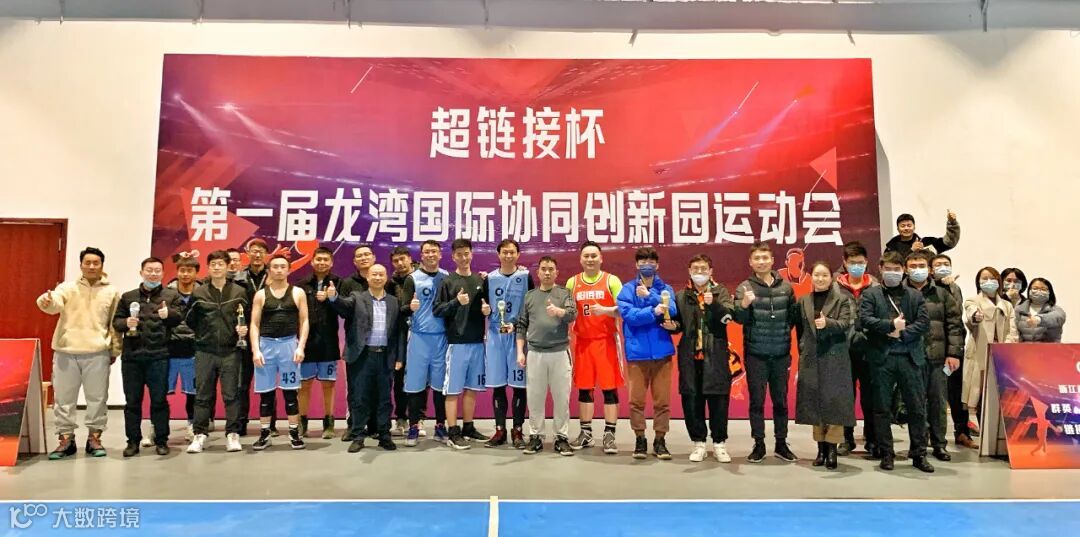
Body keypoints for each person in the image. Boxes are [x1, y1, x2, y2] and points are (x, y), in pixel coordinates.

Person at [37, 247, 121, 460]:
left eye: (96, 263)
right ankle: (66, 439)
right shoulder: (67, 288)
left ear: (102, 265)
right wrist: (46, 301)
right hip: (66, 351)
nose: (91, 266)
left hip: (97, 352)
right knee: (64, 398)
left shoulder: (112, 292)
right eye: (87, 262)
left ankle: (94, 438)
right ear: (81, 265)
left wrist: (115, 350)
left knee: (98, 398)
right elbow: (53, 304)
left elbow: (114, 323)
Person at [859, 250, 933, 473]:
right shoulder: (870, 294)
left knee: (916, 408)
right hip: (882, 358)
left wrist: (902, 333)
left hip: (910, 358)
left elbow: (924, 322)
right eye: (888, 269)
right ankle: (886, 453)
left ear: (904, 271)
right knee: (881, 408)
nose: (892, 273)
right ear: (880, 269)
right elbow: (865, 320)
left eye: (897, 269)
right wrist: (890, 326)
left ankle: (919, 454)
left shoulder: (915, 295)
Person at [732, 241, 799, 463]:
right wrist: (744, 304)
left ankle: (781, 443)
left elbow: (792, 319)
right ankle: (759, 444)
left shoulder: (786, 288)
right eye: (757, 258)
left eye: (765, 258)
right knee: (757, 402)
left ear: (772, 260)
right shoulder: (744, 288)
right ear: (750, 262)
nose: (761, 262)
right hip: (756, 355)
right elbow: (739, 319)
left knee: (781, 402)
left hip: (781, 354)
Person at [328, 264, 403, 452]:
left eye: (381, 274)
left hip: (385, 356)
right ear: (367, 278)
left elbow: (399, 332)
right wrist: (334, 297)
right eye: (374, 274)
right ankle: (358, 436)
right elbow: (343, 305)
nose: (377, 277)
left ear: (386, 278)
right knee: (360, 398)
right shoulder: (357, 297)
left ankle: (384, 435)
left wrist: (399, 357)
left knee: (385, 399)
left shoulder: (394, 302)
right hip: (362, 356)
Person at [113, 257, 181, 457]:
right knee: (132, 402)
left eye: (157, 271)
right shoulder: (128, 297)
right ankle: (132, 441)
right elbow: (116, 322)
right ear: (141, 272)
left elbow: (179, 318)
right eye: (149, 270)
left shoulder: (171, 295)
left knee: (159, 400)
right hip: (132, 357)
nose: (153, 274)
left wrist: (168, 315)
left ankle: (161, 440)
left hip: (159, 356)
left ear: (163, 273)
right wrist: (126, 322)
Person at [671, 254, 734, 463]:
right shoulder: (682, 295)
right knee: (692, 400)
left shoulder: (720, 291)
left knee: (718, 400)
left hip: (715, 354)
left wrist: (714, 304)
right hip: (690, 356)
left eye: (703, 268)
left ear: (711, 271)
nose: (700, 272)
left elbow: (728, 317)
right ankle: (698, 443)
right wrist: (672, 326)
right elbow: (678, 323)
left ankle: (719, 443)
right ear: (689, 272)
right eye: (695, 269)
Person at [185, 250, 249, 454]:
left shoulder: (239, 292)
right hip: (205, 351)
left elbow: (247, 318)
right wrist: (205, 334)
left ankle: (233, 434)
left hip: (231, 351)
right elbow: (190, 319)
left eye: (221, 264)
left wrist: (243, 329)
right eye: (213, 264)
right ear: (208, 267)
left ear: (228, 266)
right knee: (203, 395)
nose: (217, 267)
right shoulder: (199, 293)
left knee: (232, 394)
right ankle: (199, 434)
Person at [616, 246, 678, 460]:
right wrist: (654, 311)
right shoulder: (627, 289)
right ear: (636, 265)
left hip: (662, 353)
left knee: (662, 401)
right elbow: (629, 315)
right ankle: (640, 438)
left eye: (651, 262)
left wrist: (651, 297)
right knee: (636, 401)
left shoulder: (666, 289)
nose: (647, 265)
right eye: (642, 262)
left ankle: (660, 440)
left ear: (657, 265)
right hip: (637, 354)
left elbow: (673, 311)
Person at [794, 261, 855, 471]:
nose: (820, 279)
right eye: (816, 275)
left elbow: (846, 324)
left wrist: (828, 323)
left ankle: (832, 450)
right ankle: (820, 449)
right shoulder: (803, 300)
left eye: (824, 275)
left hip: (835, 357)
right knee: (815, 403)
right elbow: (800, 330)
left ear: (831, 278)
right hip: (811, 358)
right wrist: (803, 350)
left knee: (835, 404)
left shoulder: (843, 300)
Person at [904, 250, 964, 462]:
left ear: (929, 269)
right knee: (915, 404)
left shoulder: (942, 294)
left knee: (938, 403)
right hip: (909, 357)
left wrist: (954, 353)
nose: (917, 270)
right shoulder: (900, 293)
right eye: (913, 266)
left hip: (938, 357)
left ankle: (939, 445)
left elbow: (955, 325)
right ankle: (917, 446)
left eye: (921, 266)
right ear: (906, 269)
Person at [566, 241, 623, 455]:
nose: (590, 259)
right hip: (583, 342)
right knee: (584, 388)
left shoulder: (611, 280)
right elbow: (567, 311)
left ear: (601, 258)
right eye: (586, 256)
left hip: (606, 341)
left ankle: (609, 434)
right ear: (580, 259)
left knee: (609, 389)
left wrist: (606, 310)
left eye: (593, 256)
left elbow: (623, 309)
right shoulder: (573, 282)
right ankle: (586, 433)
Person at [516, 256, 577, 455]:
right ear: (538, 272)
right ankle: (536, 436)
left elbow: (572, 314)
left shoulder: (564, 293)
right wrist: (520, 352)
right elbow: (521, 325)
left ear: (556, 272)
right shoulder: (530, 296)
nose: (547, 272)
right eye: (544, 269)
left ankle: (561, 437)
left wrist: (558, 311)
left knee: (561, 398)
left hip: (560, 353)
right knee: (535, 398)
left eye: (551, 269)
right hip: (535, 353)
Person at [433, 238, 491, 449]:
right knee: (452, 390)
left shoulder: (480, 280)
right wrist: (456, 302)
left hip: (477, 342)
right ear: (453, 257)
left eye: (467, 253)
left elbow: (488, 306)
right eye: (459, 254)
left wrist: (487, 310)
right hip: (456, 344)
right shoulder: (447, 282)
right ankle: (452, 431)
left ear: (471, 254)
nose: (464, 258)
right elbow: (437, 310)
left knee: (471, 388)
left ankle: (468, 427)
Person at [249, 254, 310, 450]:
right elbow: (254, 324)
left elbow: (304, 321)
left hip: (288, 346)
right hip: (266, 346)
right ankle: (265, 434)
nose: (278, 270)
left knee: (290, 393)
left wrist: (300, 347)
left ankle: (294, 433)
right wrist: (255, 350)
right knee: (266, 395)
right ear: (269, 270)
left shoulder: (298, 292)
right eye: (275, 266)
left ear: (289, 270)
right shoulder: (260, 295)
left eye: (283, 266)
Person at [479, 239, 534, 449]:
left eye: (512, 252)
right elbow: (483, 305)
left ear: (518, 254)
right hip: (495, 335)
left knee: (519, 386)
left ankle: (517, 430)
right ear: (498, 254)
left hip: (518, 335)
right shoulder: (490, 279)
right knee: (498, 386)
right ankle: (500, 430)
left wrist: (518, 325)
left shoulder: (525, 276)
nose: (508, 255)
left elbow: (531, 307)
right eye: (505, 252)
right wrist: (484, 310)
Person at [401, 240, 450, 446]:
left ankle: (440, 426)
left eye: (434, 251)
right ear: (421, 255)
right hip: (419, 337)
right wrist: (410, 308)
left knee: (440, 386)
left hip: (441, 338)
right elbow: (402, 308)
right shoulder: (412, 278)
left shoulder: (447, 277)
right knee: (415, 384)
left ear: (440, 254)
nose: (431, 255)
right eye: (427, 252)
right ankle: (413, 426)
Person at [962, 267, 1020, 438]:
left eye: (992, 278)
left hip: (1001, 351)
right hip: (979, 350)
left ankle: (999, 429)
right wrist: (975, 316)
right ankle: (976, 422)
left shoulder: (1007, 305)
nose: (988, 282)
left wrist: (1006, 346)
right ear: (978, 282)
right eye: (984, 278)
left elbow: (1012, 329)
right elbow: (971, 313)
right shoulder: (972, 300)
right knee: (977, 388)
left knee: (1000, 390)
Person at [834, 241, 879, 456]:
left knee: (871, 396)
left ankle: (872, 438)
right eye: (852, 263)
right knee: (845, 395)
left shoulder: (876, 285)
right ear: (844, 263)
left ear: (867, 262)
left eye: (860, 263)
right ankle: (846, 438)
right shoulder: (835, 286)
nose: (856, 266)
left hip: (871, 348)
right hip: (843, 348)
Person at [930, 253, 976, 449]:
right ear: (931, 270)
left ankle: (962, 431)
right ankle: (932, 435)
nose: (942, 267)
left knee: (956, 392)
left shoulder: (954, 288)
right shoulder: (926, 288)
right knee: (934, 395)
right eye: (938, 264)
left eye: (946, 264)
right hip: (933, 349)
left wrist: (948, 288)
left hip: (952, 349)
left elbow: (955, 315)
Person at [296, 247, 341, 439]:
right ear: (312, 261)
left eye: (325, 259)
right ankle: (302, 423)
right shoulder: (301, 285)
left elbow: (345, 309)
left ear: (331, 263)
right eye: (318, 259)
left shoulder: (339, 282)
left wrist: (332, 298)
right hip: (306, 342)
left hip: (329, 342)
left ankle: (329, 424)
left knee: (328, 385)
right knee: (304, 384)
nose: (322, 262)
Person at [234, 238, 270, 436]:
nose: (257, 255)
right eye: (254, 251)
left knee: (268, 383)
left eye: (261, 251)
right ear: (247, 254)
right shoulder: (238, 278)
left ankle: (270, 424)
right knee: (242, 383)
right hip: (244, 336)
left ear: (266, 255)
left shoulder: (273, 276)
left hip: (268, 335)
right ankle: (241, 423)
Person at [165, 253, 202, 442]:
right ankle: (157, 428)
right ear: (177, 272)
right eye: (182, 270)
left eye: (189, 270)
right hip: (169, 348)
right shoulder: (166, 294)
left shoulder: (203, 293)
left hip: (194, 349)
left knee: (193, 394)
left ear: (196, 273)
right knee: (161, 392)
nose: (185, 274)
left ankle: (192, 426)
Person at [389, 246, 419, 437]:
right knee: (399, 378)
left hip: (421, 333)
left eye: (403, 259)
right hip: (398, 334)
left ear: (410, 258)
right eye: (396, 260)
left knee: (420, 376)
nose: (400, 263)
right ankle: (401, 417)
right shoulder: (390, 284)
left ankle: (419, 418)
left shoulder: (421, 278)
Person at [883, 210, 960, 259]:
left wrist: (952, 223)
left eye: (909, 225)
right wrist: (911, 251)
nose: (906, 228)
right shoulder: (891, 247)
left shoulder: (927, 242)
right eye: (903, 226)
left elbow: (949, 242)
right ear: (898, 229)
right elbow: (891, 267)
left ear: (914, 227)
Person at [1017, 278, 1066, 343]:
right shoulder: (1019, 309)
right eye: (1035, 288)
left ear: (1049, 292)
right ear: (1029, 291)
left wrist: (1039, 319)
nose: (1039, 291)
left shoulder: (1056, 310)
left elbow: (1057, 318)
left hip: (1049, 348)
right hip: (1024, 348)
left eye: (1043, 289)